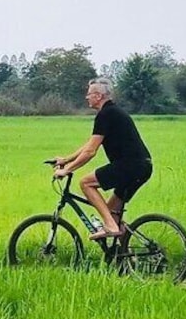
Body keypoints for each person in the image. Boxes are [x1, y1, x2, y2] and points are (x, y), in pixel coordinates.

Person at [53, 78, 153, 240]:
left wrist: (67, 170)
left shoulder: (106, 114)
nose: (87, 97)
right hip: (142, 167)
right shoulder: (112, 112)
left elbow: (90, 152)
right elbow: (89, 145)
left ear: (98, 96)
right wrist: (65, 160)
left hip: (129, 165)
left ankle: (111, 226)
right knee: (111, 211)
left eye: (89, 94)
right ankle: (127, 256)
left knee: (85, 183)